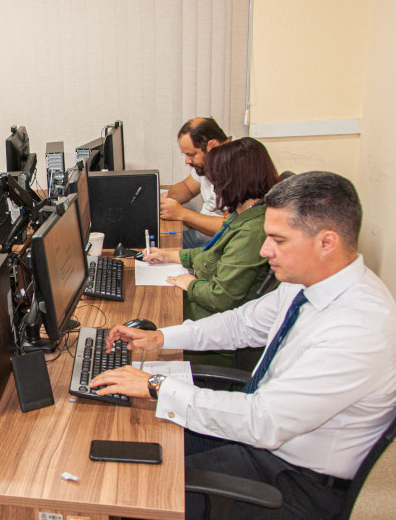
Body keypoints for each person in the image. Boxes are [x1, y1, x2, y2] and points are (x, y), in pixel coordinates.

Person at [91, 172, 396, 519]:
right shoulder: (309, 283)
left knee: (135, 488)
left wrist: (156, 384)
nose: (266, 251)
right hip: (259, 437)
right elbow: (240, 324)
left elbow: (262, 421)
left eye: (278, 240)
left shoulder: (359, 329)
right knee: (128, 444)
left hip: (289, 480)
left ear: (326, 242)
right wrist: (161, 337)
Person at [145, 138, 278, 321]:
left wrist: (190, 283)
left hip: (212, 320)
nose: (215, 186)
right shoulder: (244, 212)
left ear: (233, 180)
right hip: (206, 304)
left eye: (217, 179)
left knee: (147, 308)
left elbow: (220, 298)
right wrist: (170, 255)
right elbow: (215, 253)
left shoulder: (251, 233)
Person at [161, 117, 231, 248]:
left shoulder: (236, 168)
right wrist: (167, 198)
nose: (187, 161)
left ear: (212, 145)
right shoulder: (209, 163)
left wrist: (182, 213)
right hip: (201, 236)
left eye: (191, 155)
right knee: (151, 247)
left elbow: (230, 227)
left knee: (155, 252)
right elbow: (187, 187)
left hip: (218, 245)